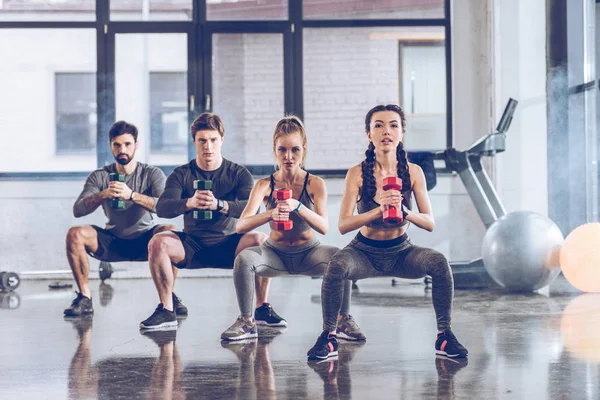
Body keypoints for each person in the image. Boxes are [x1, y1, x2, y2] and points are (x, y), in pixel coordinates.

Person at [307, 104, 468, 360]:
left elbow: (428, 222)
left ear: (402, 132)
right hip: (364, 253)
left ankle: (444, 336)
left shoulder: (414, 172)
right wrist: (377, 210)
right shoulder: (357, 173)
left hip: (402, 252)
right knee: (336, 265)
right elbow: (344, 224)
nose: (386, 131)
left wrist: (405, 212)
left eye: (393, 125)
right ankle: (328, 337)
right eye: (378, 125)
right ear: (368, 134)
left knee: (439, 262)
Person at [140, 112, 283, 330]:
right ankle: (167, 310)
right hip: (192, 245)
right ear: (194, 142)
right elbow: (162, 207)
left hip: (229, 244)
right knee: (157, 242)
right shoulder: (181, 174)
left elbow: (250, 209)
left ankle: (261, 308)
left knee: (261, 240)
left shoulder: (238, 174)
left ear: (221, 140)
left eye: (213, 140)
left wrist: (219, 205)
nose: (208, 146)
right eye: (202, 141)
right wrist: (188, 202)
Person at [221, 116, 354, 341]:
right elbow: (241, 226)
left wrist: (298, 206)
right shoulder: (264, 185)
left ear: (304, 150)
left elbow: (323, 226)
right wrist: (270, 213)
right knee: (244, 259)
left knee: (342, 258)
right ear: (275, 150)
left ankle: (344, 322)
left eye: (295, 150)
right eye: (282, 150)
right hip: (275, 254)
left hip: (309, 253)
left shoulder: (315, 184)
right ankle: (246, 322)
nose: (288, 156)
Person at [64, 121, 178, 317]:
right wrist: (103, 195)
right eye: (117, 145)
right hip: (112, 241)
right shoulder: (100, 176)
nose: (122, 149)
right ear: (111, 146)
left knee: (171, 232)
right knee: (75, 234)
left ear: (136, 145)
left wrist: (131, 195)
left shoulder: (152, 174)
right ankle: (84, 299)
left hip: (146, 241)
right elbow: (78, 210)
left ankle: (168, 299)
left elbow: (166, 208)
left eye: (127, 144)